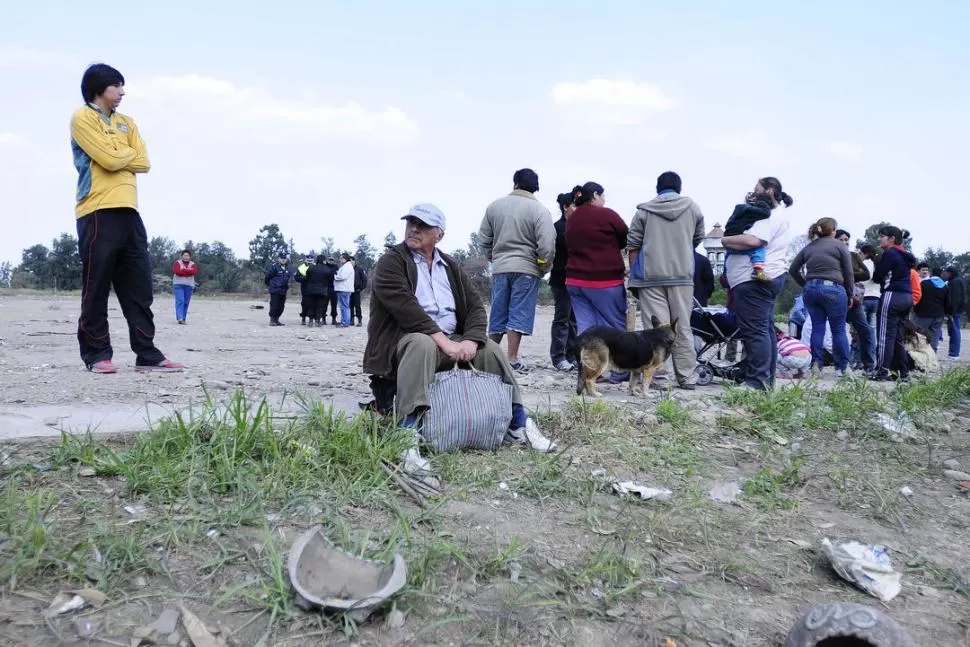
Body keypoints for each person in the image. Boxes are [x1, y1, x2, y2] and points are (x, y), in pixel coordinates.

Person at [362, 203, 556, 476]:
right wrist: (445, 343)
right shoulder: (391, 261)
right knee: (422, 342)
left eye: (423, 225)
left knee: (490, 350)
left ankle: (518, 422)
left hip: (450, 339)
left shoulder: (450, 265)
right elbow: (406, 309)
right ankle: (406, 435)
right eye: (411, 223)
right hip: (403, 340)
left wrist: (472, 341)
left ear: (439, 235)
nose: (414, 229)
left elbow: (476, 307)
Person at [71, 63, 184, 374]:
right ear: (99, 88)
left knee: (138, 288)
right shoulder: (82, 118)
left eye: (122, 87)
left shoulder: (127, 123)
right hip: (96, 211)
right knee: (96, 287)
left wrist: (120, 154)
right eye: (116, 87)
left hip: (129, 212)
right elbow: (107, 160)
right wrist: (125, 156)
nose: (121, 92)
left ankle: (146, 352)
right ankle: (96, 354)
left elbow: (145, 162)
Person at [627, 171, 706, 390]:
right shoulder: (693, 208)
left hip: (650, 277)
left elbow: (633, 244)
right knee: (682, 327)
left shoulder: (644, 211)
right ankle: (687, 377)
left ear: (657, 188)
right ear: (679, 187)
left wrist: (634, 272)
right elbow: (698, 237)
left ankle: (659, 378)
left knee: (656, 330)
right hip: (682, 276)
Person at [478, 168, 557, 371]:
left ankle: (490, 358)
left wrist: (493, 258)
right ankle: (512, 359)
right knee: (518, 313)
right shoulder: (540, 211)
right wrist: (543, 266)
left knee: (498, 312)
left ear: (514, 183)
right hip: (527, 268)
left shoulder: (495, 206)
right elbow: (547, 243)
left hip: (501, 266)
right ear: (536, 187)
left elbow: (484, 239)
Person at [722, 177, 794, 391]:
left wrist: (725, 240)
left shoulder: (767, 214)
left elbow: (755, 240)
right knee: (765, 330)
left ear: (770, 190)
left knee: (755, 331)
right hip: (765, 278)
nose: (753, 193)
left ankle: (757, 383)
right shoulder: (778, 214)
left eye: (757, 189)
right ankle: (765, 380)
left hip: (753, 280)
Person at [788, 218, 855, 375]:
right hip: (833, 289)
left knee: (817, 328)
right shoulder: (840, 246)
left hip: (811, 289)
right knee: (838, 330)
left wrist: (805, 284)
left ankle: (816, 365)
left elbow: (793, 269)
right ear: (833, 231)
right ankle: (843, 367)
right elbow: (848, 272)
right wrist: (850, 293)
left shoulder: (809, 247)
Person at [565, 182, 629, 334]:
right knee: (615, 329)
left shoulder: (572, 219)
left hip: (575, 280)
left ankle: (586, 358)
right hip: (604, 280)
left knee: (585, 329)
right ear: (595, 195)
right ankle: (614, 358)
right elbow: (626, 238)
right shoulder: (607, 215)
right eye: (603, 195)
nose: (604, 200)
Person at [870, 226, 916, 381]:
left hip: (892, 296)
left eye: (881, 236)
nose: (879, 239)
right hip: (907, 296)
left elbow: (877, 277)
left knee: (884, 336)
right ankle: (902, 373)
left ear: (892, 239)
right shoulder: (905, 255)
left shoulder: (890, 253)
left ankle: (881, 372)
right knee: (897, 337)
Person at [723, 185, 792, 283]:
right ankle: (758, 270)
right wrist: (761, 204)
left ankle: (725, 274)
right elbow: (754, 241)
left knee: (729, 255)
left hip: (732, 238)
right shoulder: (751, 210)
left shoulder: (741, 209)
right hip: (738, 237)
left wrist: (724, 240)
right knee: (758, 250)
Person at [836, 228, 874, 372]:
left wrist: (850, 273)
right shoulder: (832, 256)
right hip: (837, 298)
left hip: (854, 300)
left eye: (846, 240)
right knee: (838, 331)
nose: (845, 242)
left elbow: (866, 274)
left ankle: (868, 365)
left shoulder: (854, 256)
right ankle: (840, 365)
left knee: (865, 330)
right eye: (841, 239)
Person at [549, 192, 578, 371]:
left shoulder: (578, 227)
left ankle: (572, 355)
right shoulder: (557, 228)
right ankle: (558, 357)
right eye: (574, 205)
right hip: (561, 279)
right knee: (562, 318)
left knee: (574, 320)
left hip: (577, 280)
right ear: (566, 207)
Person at [913, 267, 949, 352]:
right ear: (941, 274)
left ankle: (919, 354)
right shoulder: (945, 287)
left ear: (931, 273)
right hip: (939, 315)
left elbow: (919, 298)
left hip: (924, 314)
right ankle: (933, 354)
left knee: (920, 335)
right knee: (935, 336)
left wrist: (916, 310)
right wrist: (946, 313)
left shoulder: (924, 284)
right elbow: (947, 302)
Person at [858, 244, 881, 368]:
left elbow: (864, 279)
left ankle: (862, 360)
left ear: (864, 253)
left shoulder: (866, 263)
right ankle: (872, 360)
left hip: (865, 297)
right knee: (872, 330)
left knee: (861, 331)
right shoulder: (878, 263)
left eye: (860, 253)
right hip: (876, 298)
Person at [304, 255, 333, 326]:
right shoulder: (328, 270)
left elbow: (307, 278)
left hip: (311, 290)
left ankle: (310, 321)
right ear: (323, 260)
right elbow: (330, 281)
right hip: (322, 290)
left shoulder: (311, 268)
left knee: (311, 305)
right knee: (320, 306)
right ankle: (317, 321)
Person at [943, 266, 965, 358]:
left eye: (946, 272)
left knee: (954, 331)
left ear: (950, 273)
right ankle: (953, 352)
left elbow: (954, 299)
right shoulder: (957, 281)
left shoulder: (954, 282)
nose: (945, 274)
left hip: (954, 312)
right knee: (954, 331)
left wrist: (951, 312)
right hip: (956, 311)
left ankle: (954, 353)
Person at [264, 252, 291, 326]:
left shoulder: (287, 267)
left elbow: (288, 278)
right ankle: (272, 320)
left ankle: (277, 320)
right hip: (275, 289)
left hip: (283, 290)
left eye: (284, 258)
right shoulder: (274, 267)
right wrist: (271, 285)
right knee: (274, 305)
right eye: (281, 258)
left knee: (281, 306)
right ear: (278, 258)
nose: (283, 260)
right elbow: (267, 277)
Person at [172, 249, 197, 325]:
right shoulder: (177, 263)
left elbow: (193, 272)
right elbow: (177, 272)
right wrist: (187, 272)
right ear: (182, 256)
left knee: (186, 302)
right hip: (178, 284)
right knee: (180, 300)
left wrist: (183, 270)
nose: (186, 257)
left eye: (187, 255)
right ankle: (180, 318)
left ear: (190, 257)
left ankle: (183, 318)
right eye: (185, 255)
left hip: (189, 285)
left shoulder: (193, 264)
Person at [334, 253, 355, 327]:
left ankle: (345, 322)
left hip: (344, 289)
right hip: (343, 288)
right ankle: (344, 321)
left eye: (341, 258)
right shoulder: (346, 266)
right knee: (344, 306)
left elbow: (342, 276)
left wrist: (335, 276)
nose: (340, 260)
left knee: (344, 306)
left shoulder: (347, 266)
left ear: (345, 259)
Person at [294, 256, 312, 325]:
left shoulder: (315, 266)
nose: (310, 261)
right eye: (308, 259)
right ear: (305, 260)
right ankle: (303, 318)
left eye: (311, 259)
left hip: (314, 288)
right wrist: (304, 278)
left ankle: (311, 319)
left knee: (313, 304)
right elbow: (296, 277)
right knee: (305, 304)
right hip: (305, 288)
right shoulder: (301, 267)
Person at [351, 257, 368, 327]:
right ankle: (351, 320)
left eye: (351, 261)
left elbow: (364, 280)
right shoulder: (347, 269)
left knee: (357, 306)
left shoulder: (359, 269)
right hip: (348, 290)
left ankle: (359, 320)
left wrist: (360, 288)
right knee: (350, 306)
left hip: (356, 290)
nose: (350, 262)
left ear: (354, 261)